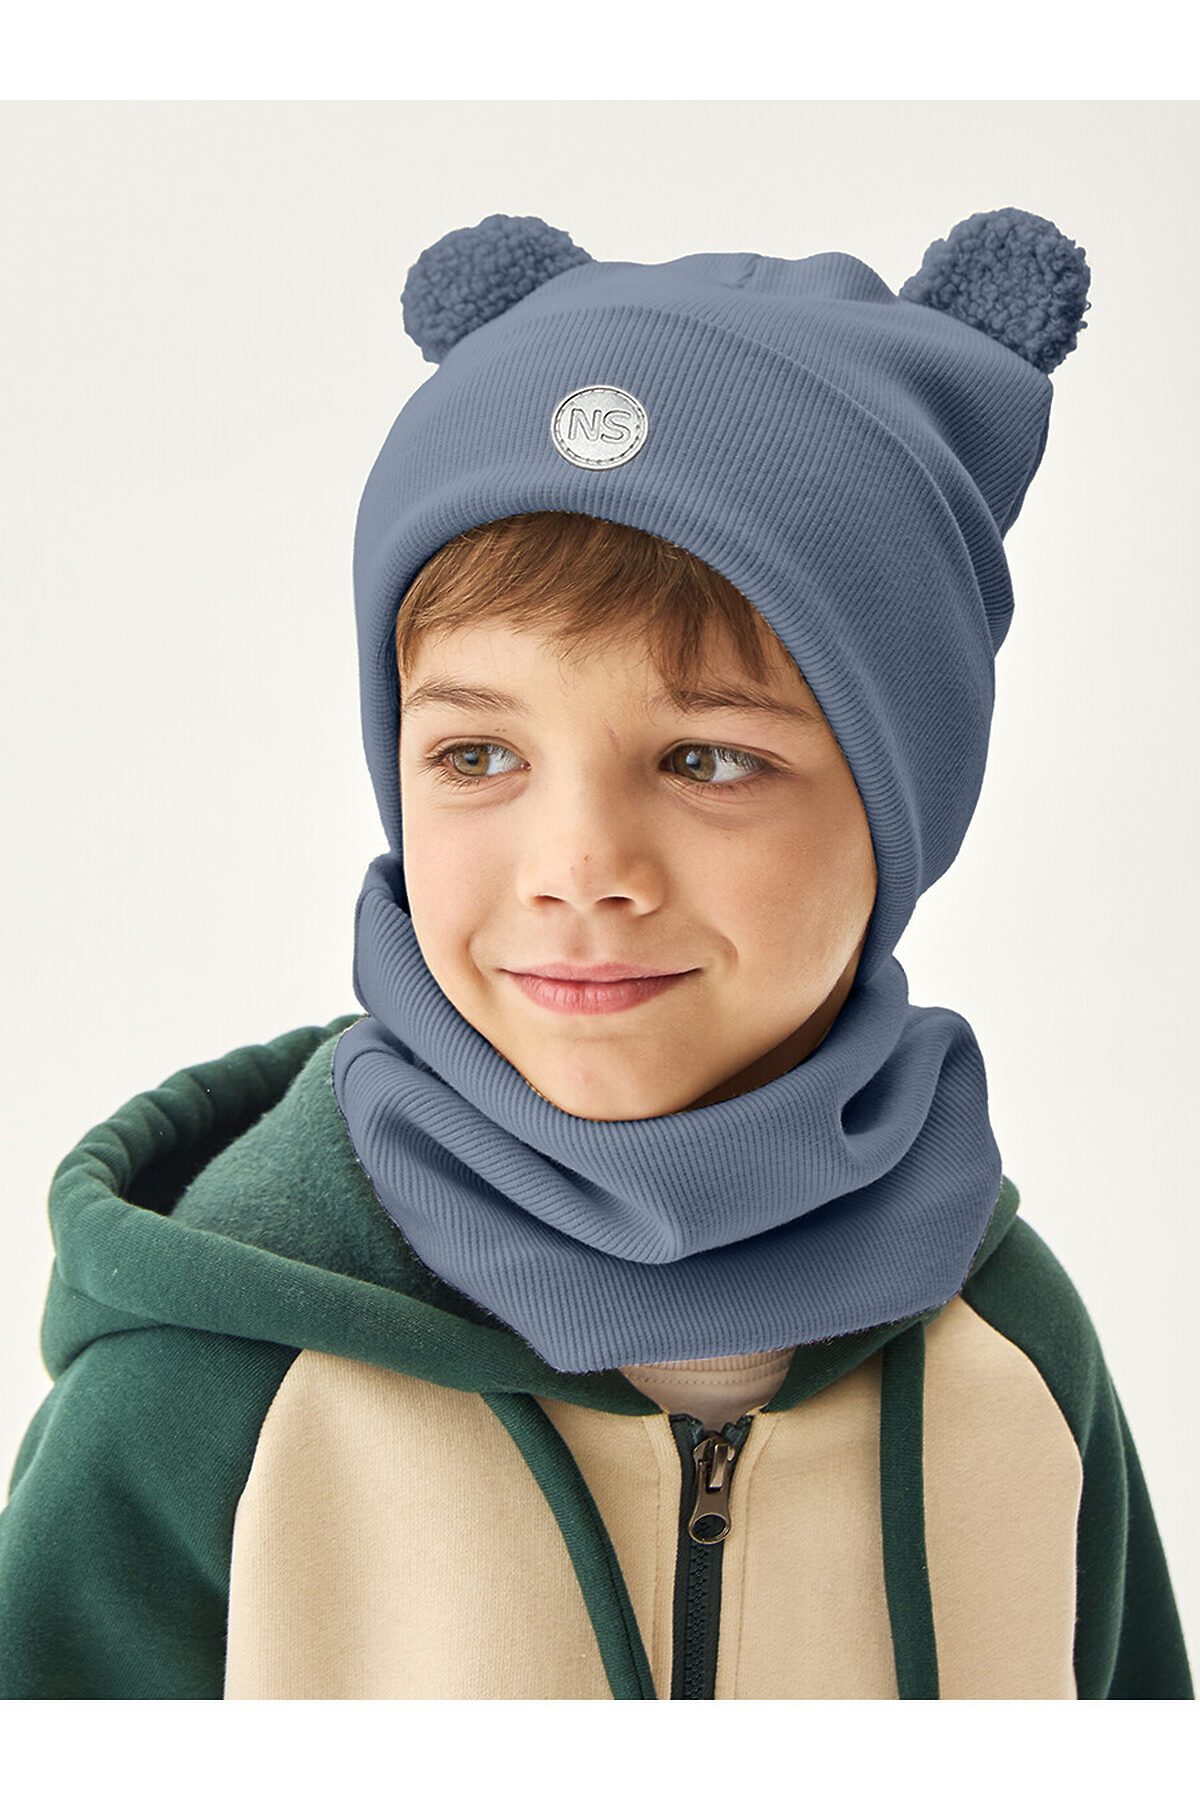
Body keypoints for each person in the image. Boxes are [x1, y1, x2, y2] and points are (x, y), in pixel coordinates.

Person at [0, 208, 1191, 1701]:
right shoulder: (208, 1390)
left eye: (708, 758)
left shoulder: (1006, 1350)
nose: (578, 868)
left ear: (906, 807)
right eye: (479, 754)